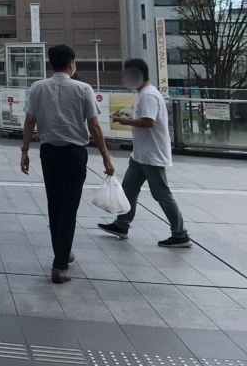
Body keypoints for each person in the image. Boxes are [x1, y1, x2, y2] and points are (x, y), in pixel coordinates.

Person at [22, 44, 114, 283]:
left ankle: (61, 252)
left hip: (48, 153)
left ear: (51, 63)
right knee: (69, 208)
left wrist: (24, 152)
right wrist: (106, 157)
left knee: (54, 205)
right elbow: (94, 127)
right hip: (74, 155)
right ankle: (60, 265)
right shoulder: (84, 89)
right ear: (71, 64)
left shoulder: (38, 87)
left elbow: (30, 121)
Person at [99, 58, 190, 247]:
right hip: (141, 154)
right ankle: (122, 224)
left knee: (162, 194)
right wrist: (129, 119)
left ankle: (180, 234)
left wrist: (125, 122)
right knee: (129, 190)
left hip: (152, 155)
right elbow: (145, 119)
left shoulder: (148, 95)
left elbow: (149, 122)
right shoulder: (144, 93)